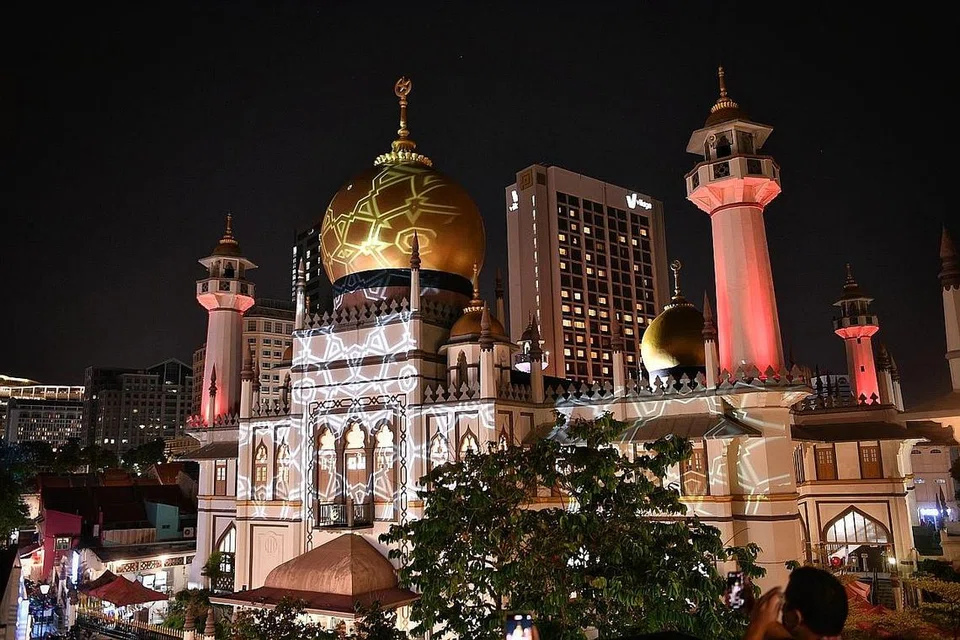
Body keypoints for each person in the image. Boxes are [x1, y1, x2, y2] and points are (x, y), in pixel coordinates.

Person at [744, 567, 848, 640]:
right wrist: (752, 608)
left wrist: (756, 626)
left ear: (794, 617)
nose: (782, 609)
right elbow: (777, 632)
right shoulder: (826, 634)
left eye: (785, 604)